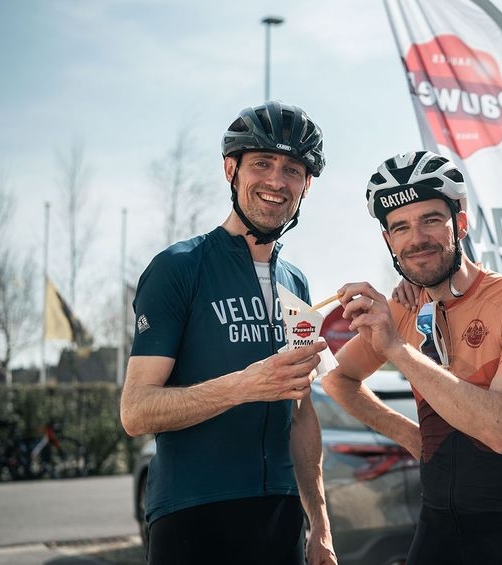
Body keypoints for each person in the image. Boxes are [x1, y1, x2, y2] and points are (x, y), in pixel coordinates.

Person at [321, 150, 502, 565]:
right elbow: (337, 381)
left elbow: (501, 428)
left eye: (431, 219)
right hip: (436, 526)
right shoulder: (401, 309)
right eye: (400, 227)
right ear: (389, 242)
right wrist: (411, 437)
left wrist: (397, 350)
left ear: (462, 223)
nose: (416, 238)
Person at [119, 101, 337, 565]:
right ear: (230, 170)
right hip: (192, 514)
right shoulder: (178, 268)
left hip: (280, 517)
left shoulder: (297, 283)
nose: (277, 181)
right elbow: (136, 411)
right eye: (262, 163)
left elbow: (300, 415)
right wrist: (244, 385)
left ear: (306, 185)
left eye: (292, 169)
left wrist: (319, 525)